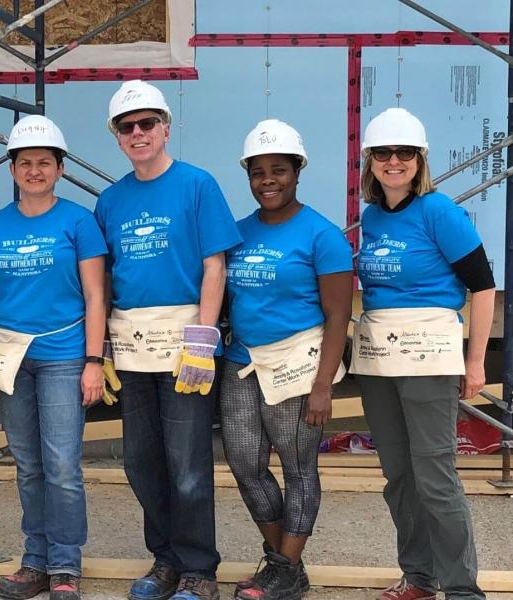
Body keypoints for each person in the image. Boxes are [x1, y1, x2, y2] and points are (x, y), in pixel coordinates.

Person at [94, 80, 242, 600]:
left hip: (184, 341)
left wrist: (203, 336)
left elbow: (214, 265)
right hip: (132, 345)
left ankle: (199, 568)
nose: (138, 133)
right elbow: (104, 278)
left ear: (165, 128)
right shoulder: (110, 200)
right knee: (140, 459)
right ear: (117, 137)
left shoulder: (197, 185)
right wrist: (104, 345)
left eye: (146, 124)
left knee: (186, 463)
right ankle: (166, 561)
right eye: (127, 127)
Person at [0, 115, 107, 600]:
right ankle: (35, 560)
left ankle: (65, 564)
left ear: (60, 169)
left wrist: (93, 360)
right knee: (27, 464)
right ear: (13, 170)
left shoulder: (79, 222)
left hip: (64, 356)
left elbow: (94, 296)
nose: (36, 170)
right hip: (9, 359)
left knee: (63, 463)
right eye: (26, 163)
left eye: (45, 162)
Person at [352, 108, 494, 600]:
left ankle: (461, 589)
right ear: (370, 161)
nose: (394, 161)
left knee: (435, 476)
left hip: (429, 360)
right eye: (384, 153)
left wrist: (474, 361)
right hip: (379, 362)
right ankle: (418, 577)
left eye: (405, 153)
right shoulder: (371, 217)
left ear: (420, 159)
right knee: (398, 476)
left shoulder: (440, 212)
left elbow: (483, 287)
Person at [220, 120, 353, 600]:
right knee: (244, 463)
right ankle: (284, 566)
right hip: (242, 363)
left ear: (297, 172)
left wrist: (322, 386)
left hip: (298, 365)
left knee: (299, 468)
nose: (268, 180)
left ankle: (281, 568)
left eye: (279, 169)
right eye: (258, 172)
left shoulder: (322, 235)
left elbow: (339, 315)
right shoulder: (237, 233)